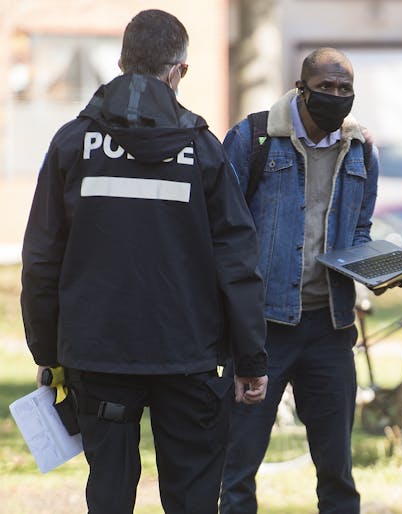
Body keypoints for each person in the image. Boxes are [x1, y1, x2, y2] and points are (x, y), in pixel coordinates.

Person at [20, 9, 268, 514]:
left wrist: (48, 351)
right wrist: (251, 357)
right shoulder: (202, 149)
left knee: (109, 495)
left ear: (120, 62)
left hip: (98, 351)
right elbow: (237, 259)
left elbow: (42, 258)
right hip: (189, 355)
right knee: (194, 496)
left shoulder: (73, 143)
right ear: (179, 71)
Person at [219, 47, 379, 514]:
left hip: (330, 329)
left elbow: (361, 229)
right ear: (300, 88)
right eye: (325, 87)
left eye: (344, 89)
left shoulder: (362, 147)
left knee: (338, 473)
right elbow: (224, 233)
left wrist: (379, 268)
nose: (335, 96)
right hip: (261, 329)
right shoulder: (253, 138)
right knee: (237, 469)